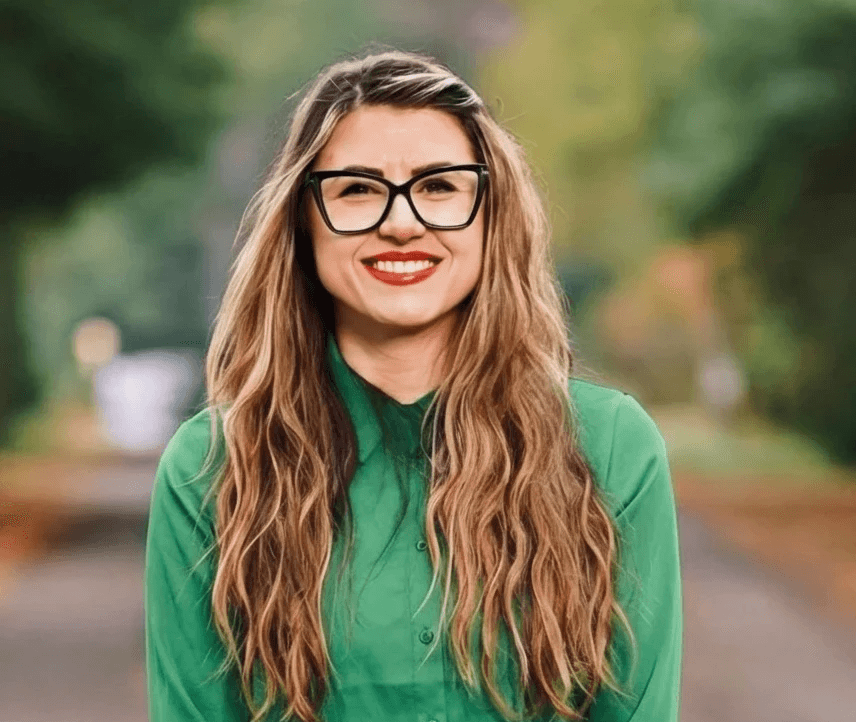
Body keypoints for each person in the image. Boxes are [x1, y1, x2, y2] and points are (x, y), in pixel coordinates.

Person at [144, 49, 683, 722]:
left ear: (491, 216)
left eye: (438, 186)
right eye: (357, 189)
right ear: (304, 223)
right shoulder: (210, 469)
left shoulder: (610, 447)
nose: (400, 221)